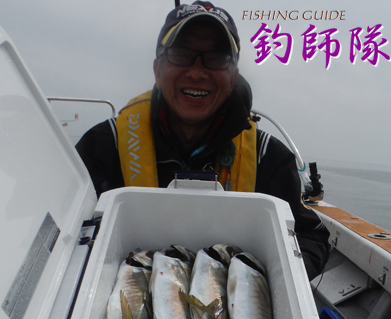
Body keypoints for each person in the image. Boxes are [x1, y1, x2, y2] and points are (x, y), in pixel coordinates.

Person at [76, 1, 330, 280]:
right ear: (157, 70)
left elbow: (311, 236)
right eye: (181, 54)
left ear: (233, 77)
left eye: (217, 57)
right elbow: (68, 231)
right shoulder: (103, 146)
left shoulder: (269, 158)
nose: (197, 72)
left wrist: (276, 282)